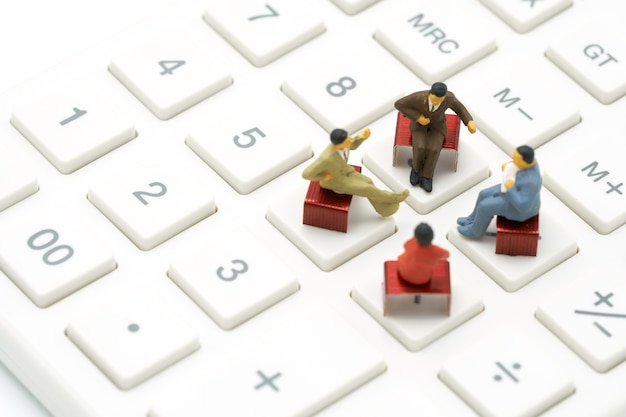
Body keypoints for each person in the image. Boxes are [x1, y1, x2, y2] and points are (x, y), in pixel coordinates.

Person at [302, 128, 409, 217]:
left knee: (368, 181)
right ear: (338, 144)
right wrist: (324, 176)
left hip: (346, 171)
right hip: (335, 181)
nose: (350, 140)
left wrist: (362, 137)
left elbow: (353, 144)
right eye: (347, 140)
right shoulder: (327, 158)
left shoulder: (344, 144)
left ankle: (385, 210)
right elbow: (306, 174)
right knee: (366, 189)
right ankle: (393, 198)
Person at [394, 82, 475, 192]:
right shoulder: (418, 97)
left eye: (440, 100)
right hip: (419, 125)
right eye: (434, 99)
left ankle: (427, 176)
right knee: (420, 146)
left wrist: (469, 122)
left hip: (438, 126)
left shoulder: (449, 98)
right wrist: (418, 117)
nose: (437, 102)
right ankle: (416, 170)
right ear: (430, 94)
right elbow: (399, 104)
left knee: (434, 149)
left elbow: (459, 108)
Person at [457, 145, 541, 238]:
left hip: (517, 208)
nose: (513, 158)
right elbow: (517, 167)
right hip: (511, 189)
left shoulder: (532, 182)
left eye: (516, 158)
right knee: (483, 194)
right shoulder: (530, 163)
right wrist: (509, 166)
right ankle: (472, 219)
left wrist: (511, 188)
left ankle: (475, 231)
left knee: (485, 206)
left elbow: (524, 206)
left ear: (525, 161)